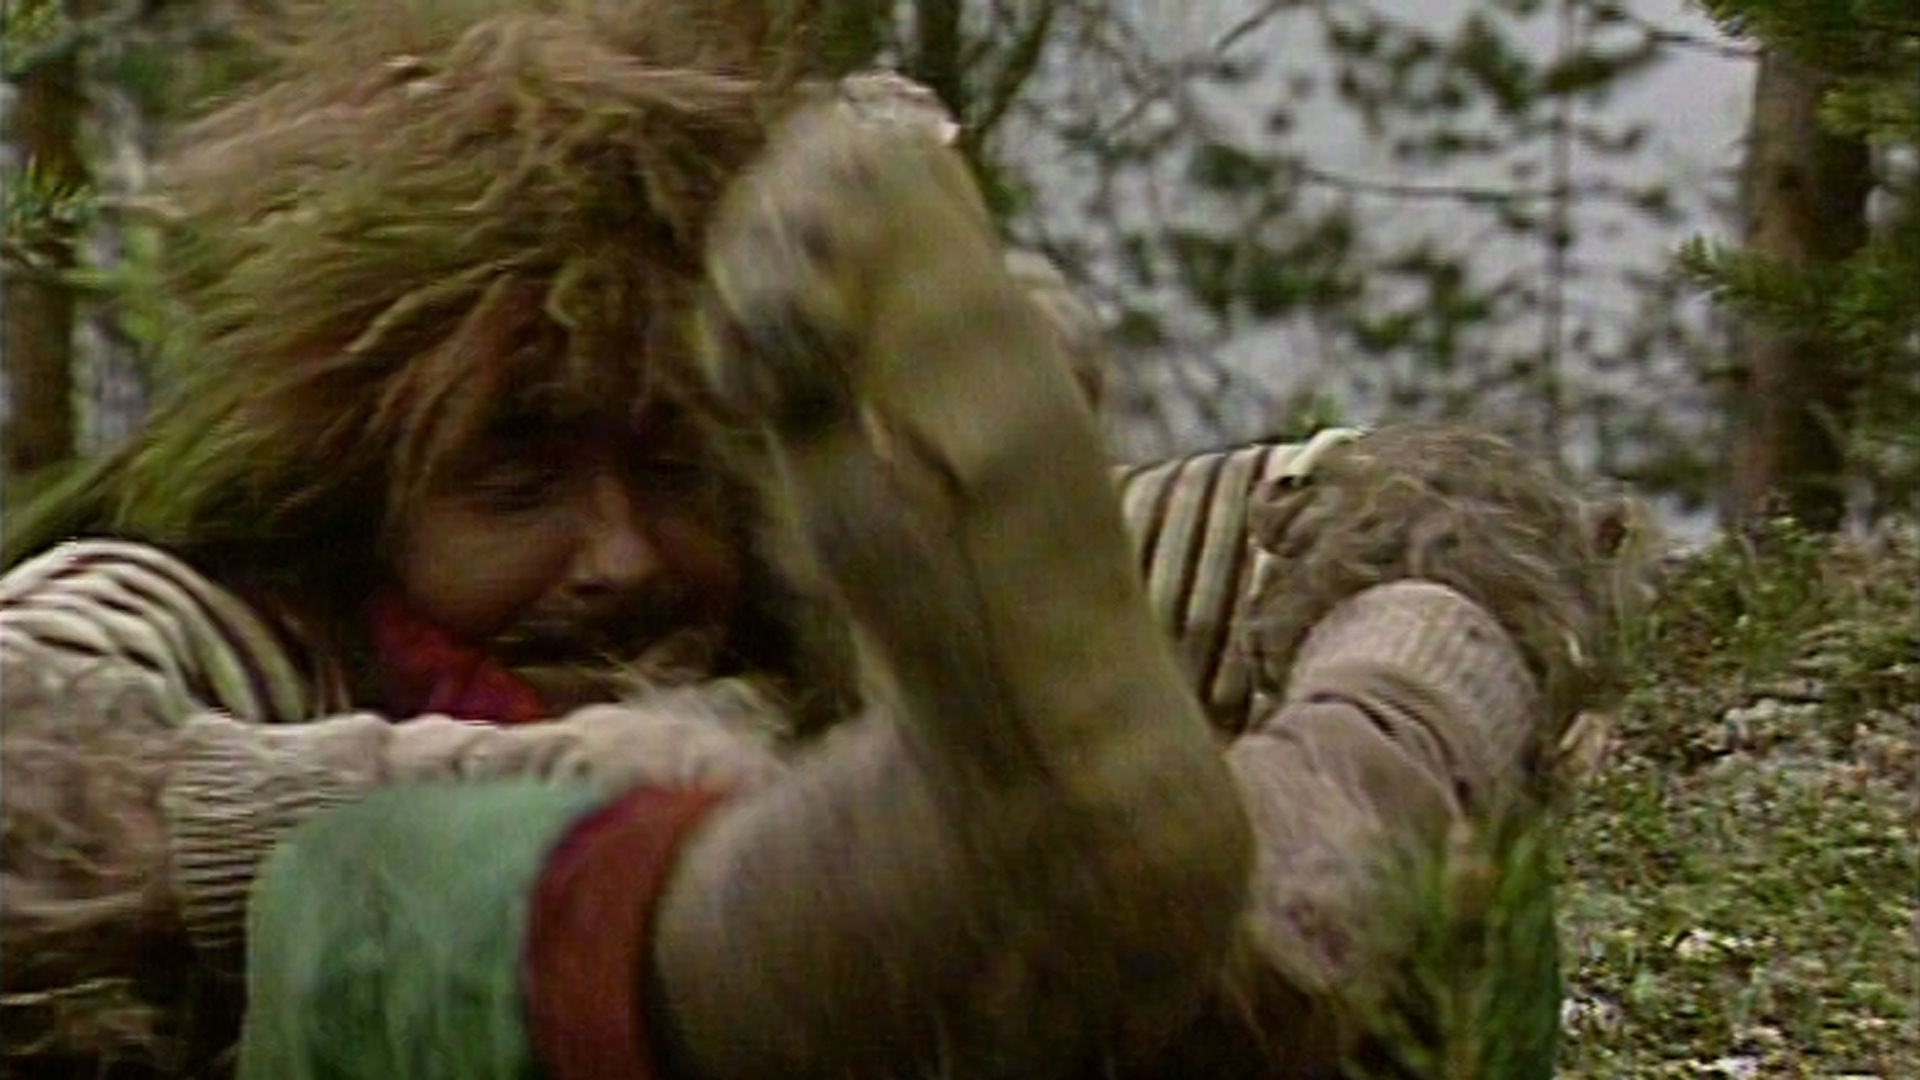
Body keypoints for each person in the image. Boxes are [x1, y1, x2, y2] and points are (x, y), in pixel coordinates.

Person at [0, 3, 1639, 1078]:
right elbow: (29, 760)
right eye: (517, 481)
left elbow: (1424, 520)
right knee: (366, 903)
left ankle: (1151, 921)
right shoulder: (248, 616)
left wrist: (1328, 796)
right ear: (357, 485)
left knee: (1382, 888)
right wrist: (658, 814)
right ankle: (878, 907)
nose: (620, 556)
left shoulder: (819, 590)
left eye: (674, 466)